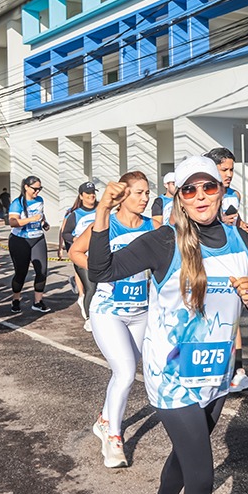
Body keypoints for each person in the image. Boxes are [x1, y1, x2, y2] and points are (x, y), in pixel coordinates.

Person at [88, 156, 248, 494]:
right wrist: (103, 211)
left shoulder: (241, 240)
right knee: (202, 477)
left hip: (216, 373)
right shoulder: (163, 240)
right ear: (180, 198)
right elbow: (101, 270)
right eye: (191, 189)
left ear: (222, 190)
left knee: (188, 456)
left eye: (209, 187)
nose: (201, 196)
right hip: (171, 376)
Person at [70, 172, 153, 468]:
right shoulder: (105, 224)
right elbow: (75, 251)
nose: (145, 198)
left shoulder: (152, 227)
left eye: (147, 193)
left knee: (131, 370)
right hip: (108, 309)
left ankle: (104, 419)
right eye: (139, 193)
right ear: (123, 195)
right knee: (126, 371)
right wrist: (102, 269)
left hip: (141, 310)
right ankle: (114, 438)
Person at [205, 147, 248, 395]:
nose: (228, 174)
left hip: (232, 254)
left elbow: (235, 220)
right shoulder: (201, 194)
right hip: (207, 257)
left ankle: (236, 373)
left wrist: (240, 224)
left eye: (231, 170)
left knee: (233, 318)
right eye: (223, 169)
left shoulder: (233, 194)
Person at [8, 176, 50, 314]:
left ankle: (38, 302)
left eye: (40, 189)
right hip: (20, 240)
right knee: (21, 272)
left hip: (37, 238)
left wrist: (44, 223)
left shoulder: (40, 200)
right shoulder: (17, 202)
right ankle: (16, 299)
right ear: (26, 187)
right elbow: (13, 222)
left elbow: (41, 215)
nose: (37, 192)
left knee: (42, 271)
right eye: (35, 189)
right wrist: (31, 219)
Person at [62, 182, 99, 326]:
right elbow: (65, 233)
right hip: (83, 255)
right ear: (81, 196)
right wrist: (74, 239)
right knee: (91, 287)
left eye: (93, 193)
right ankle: (89, 319)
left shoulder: (101, 210)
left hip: (100, 254)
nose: (91, 196)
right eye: (88, 193)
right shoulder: (75, 214)